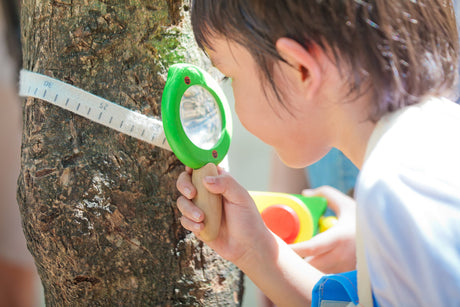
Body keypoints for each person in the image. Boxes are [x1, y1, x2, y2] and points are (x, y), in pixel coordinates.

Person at [176, 1, 460, 306]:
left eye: (230, 77)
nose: (234, 100)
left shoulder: (400, 189)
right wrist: (255, 252)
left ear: (301, 70)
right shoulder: (433, 147)